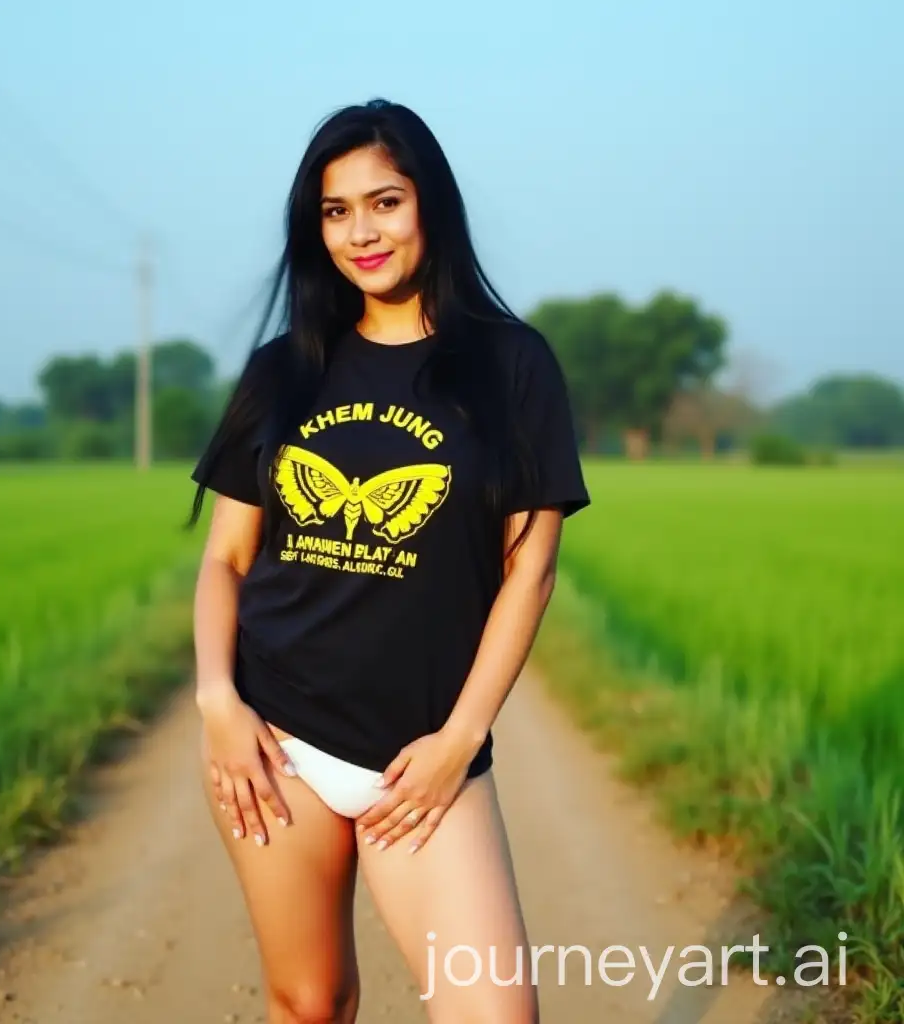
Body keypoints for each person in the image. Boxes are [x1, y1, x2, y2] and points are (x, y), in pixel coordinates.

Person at [187, 98, 590, 1024]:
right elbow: (226, 563)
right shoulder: (283, 370)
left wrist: (459, 741)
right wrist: (218, 701)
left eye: (385, 202)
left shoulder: (511, 365)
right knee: (311, 1001)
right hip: (278, 738)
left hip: (421, 758)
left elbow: (529, 571)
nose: (361, 232)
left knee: (496, 1014)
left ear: (429, 207)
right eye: (336, 211)